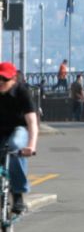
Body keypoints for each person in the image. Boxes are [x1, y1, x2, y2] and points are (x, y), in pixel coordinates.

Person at [0, 62, 39, 215]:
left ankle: (18, 195)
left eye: (5, 79)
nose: (1, 82)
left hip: (19, 128)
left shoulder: (23, 92)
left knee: (15, 145)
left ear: (14, 79)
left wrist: (31, 146)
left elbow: (32, 122)